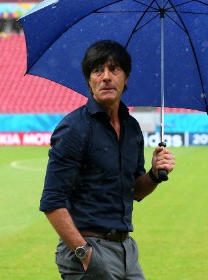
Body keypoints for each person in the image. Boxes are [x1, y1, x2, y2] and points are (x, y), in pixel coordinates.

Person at [39, 40, 176, 280]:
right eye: (97, 70)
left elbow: (135, 190)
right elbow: (52, 201)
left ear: (126, 78)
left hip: (127, 250)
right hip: (87, 248)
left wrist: (154, 174)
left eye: (114, 69)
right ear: (89, 81)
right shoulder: (74, 128)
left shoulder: (132, 128)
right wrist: (85, 254)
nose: (105, 77)